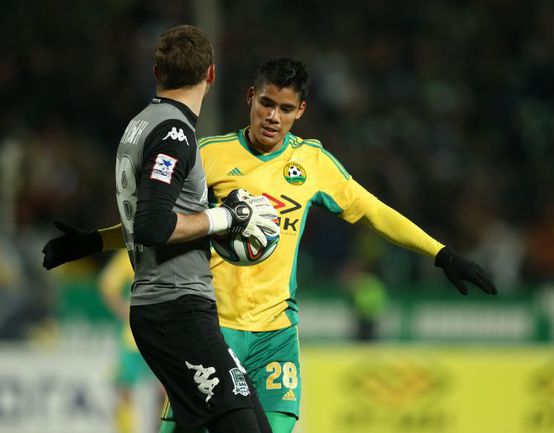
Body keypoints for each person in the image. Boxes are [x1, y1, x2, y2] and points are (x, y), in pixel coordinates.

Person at [42, 56, 496, 433]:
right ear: (250, 98)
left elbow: (373, 211)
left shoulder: (312, 163)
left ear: (301, 111)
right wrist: (94, 242)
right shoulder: (210, 155)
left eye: (285, 108)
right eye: (266, 104)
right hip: (212, 331)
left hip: (276, 337)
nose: (273, 117)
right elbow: (160, 222)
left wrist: (441, 254)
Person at [50, 25, 280, 433]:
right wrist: (227, 218)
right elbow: (154, 225)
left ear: (157, 72)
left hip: (168, 309)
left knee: (243, 422)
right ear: (211, 74)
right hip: (176, 308)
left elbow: (147, 217)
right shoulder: (174, 133)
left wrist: (94, 241)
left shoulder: (140, 125)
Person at [98, 250, 161, 433]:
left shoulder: (170, 251)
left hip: (161, 337)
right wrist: (126, 312)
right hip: (136, 338)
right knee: (125, 390)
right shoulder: (131, 253)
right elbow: (107, 285)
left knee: (165, 393)